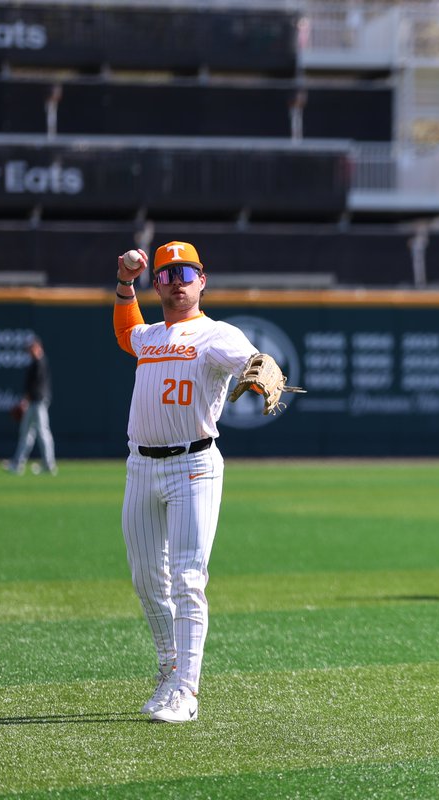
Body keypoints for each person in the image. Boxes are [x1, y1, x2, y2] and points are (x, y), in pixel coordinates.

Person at [113, 241, 272, 723]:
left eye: (186, 271)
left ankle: (186, 691)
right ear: (156, 282)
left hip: (193, 465)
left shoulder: (217, 334)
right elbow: (127, 333)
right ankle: (169, 669)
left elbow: (253, 361)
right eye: (167, 273)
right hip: (140, 465)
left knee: (186, 577)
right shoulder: (150, 337)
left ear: (202, 279)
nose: (177, 280)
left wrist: (258, 372)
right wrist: (123, 282)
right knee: (146, 578)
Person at [2, 336, 57, 476]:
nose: (29, 351)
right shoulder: (35, 362)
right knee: (27, 433)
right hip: (34, 401)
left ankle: (48, 464)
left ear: (37, 347)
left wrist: (24, 401)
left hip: (37, 402)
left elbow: (36, 386)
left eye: (31, 348)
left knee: (42, 432)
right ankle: (18, 463)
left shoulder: (39, 362)